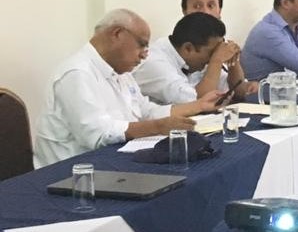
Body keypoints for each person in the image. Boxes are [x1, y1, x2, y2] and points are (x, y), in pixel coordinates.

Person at [33, 9, 220, 167]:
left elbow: (145, 111)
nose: (144, 55)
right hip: (72, 172)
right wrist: (157, 127)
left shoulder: (122, 73)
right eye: (142, 45)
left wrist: (198, 106)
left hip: (112, 162)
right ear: (117, 34)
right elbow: (96, 134)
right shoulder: (76, 73)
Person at [135, 12, 254, 105]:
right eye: (213, 52)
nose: (214, 56)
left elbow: (239, 92)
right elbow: (199, 102)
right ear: (188, 48)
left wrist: (233, 60)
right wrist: (216, 60)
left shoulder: (195, 60)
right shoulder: (155, 63)